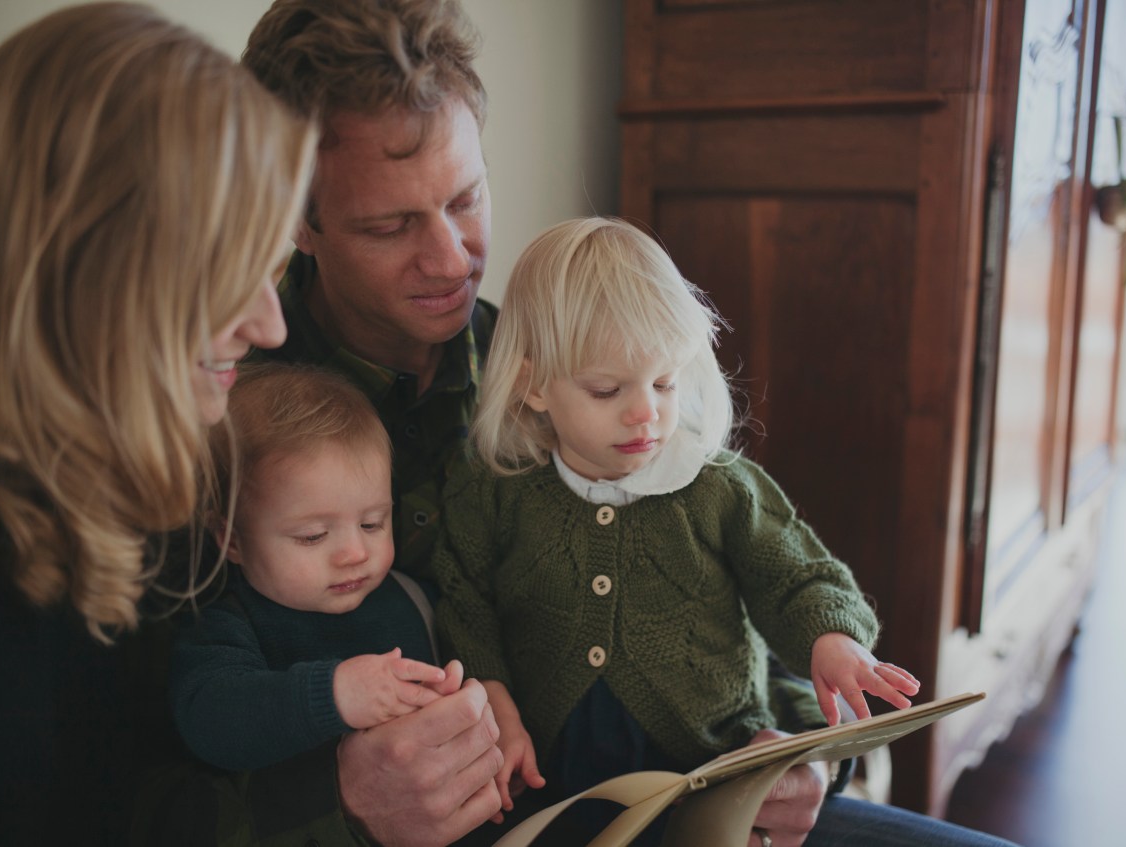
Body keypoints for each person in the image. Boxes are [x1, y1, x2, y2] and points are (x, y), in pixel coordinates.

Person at [242, 1, 1020, 845]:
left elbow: (730, 588)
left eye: (465, 198)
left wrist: (802, 754)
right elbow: (145, 777)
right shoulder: (223, 420)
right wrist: (341, 805)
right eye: (390, 225)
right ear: (296, 221)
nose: (451, 258)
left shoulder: (564, 363)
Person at [431, 217, 921, 842]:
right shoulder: (495, 491)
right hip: (555, 791)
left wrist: (831, 640)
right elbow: (465, 602)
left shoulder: (718, 487)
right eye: (606, 389)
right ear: (533, 386)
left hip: (714, 785)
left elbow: (797, 575)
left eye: (664, 382)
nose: (646, 411)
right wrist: (493, 696)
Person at [0, 3, 317, 844]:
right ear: (93, 267)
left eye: (269, 267)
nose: (270, 325)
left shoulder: (123, 485)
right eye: (224, 271)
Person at [171, 363, 467, 772]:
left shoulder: (415, 597)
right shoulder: (229, 627)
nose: (355, 553)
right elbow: (211, 723)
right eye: (312, 536)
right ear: (232, 540)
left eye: (372, 524)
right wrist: (333, 695)